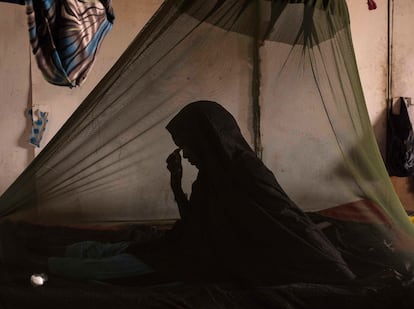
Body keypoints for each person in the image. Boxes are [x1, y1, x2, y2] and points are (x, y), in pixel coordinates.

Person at [1, 100, 356, 286]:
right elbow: (196, 226)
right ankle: (33, 249)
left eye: (187, 145)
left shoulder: (247, 174)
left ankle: (27, 263)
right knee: (112, 248)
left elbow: (284, 222)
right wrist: (177, 185)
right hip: (187, 249)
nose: (185, 153)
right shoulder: (209, 176)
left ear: (208, 140)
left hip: (197, 261)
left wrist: (329, 265)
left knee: (109, 264)